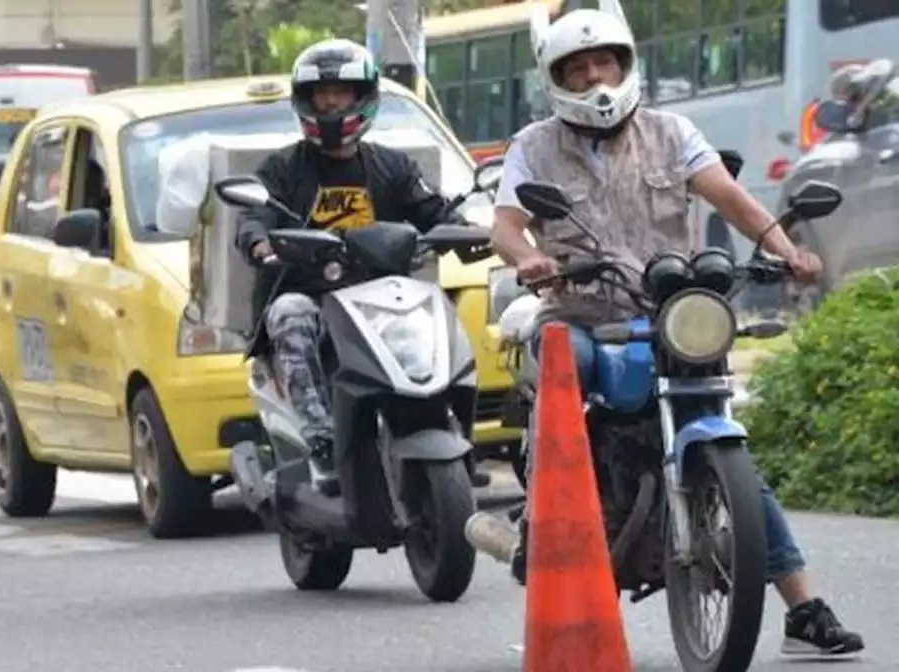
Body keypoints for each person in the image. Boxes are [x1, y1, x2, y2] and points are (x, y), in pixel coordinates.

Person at [489, 5, 864, 657]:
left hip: (671, 311)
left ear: (626, 63)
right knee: (563, 370)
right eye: (577, 69)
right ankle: (539, 523)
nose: (595, 78)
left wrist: (788, 247)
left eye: (604, 62)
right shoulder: (534, 145)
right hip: (580, 311)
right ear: (557, 79)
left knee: (725, 436)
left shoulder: (672, 132)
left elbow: (732, 200)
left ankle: (803, 607)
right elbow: (505, 224)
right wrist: (528, 258)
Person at [234, 39, 469, 495]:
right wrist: (260, 243)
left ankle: (447, 424)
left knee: (437, 312)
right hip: (311, 293)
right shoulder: (282, 169)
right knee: (289, 314)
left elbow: (433, 209)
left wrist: (464, 232)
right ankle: (320, 439)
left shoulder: (393, 166)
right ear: (304, 102)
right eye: (321, 96)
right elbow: (254, 215)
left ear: (363, 97)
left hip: (381, 298)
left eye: (340, 94)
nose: (330, 104)